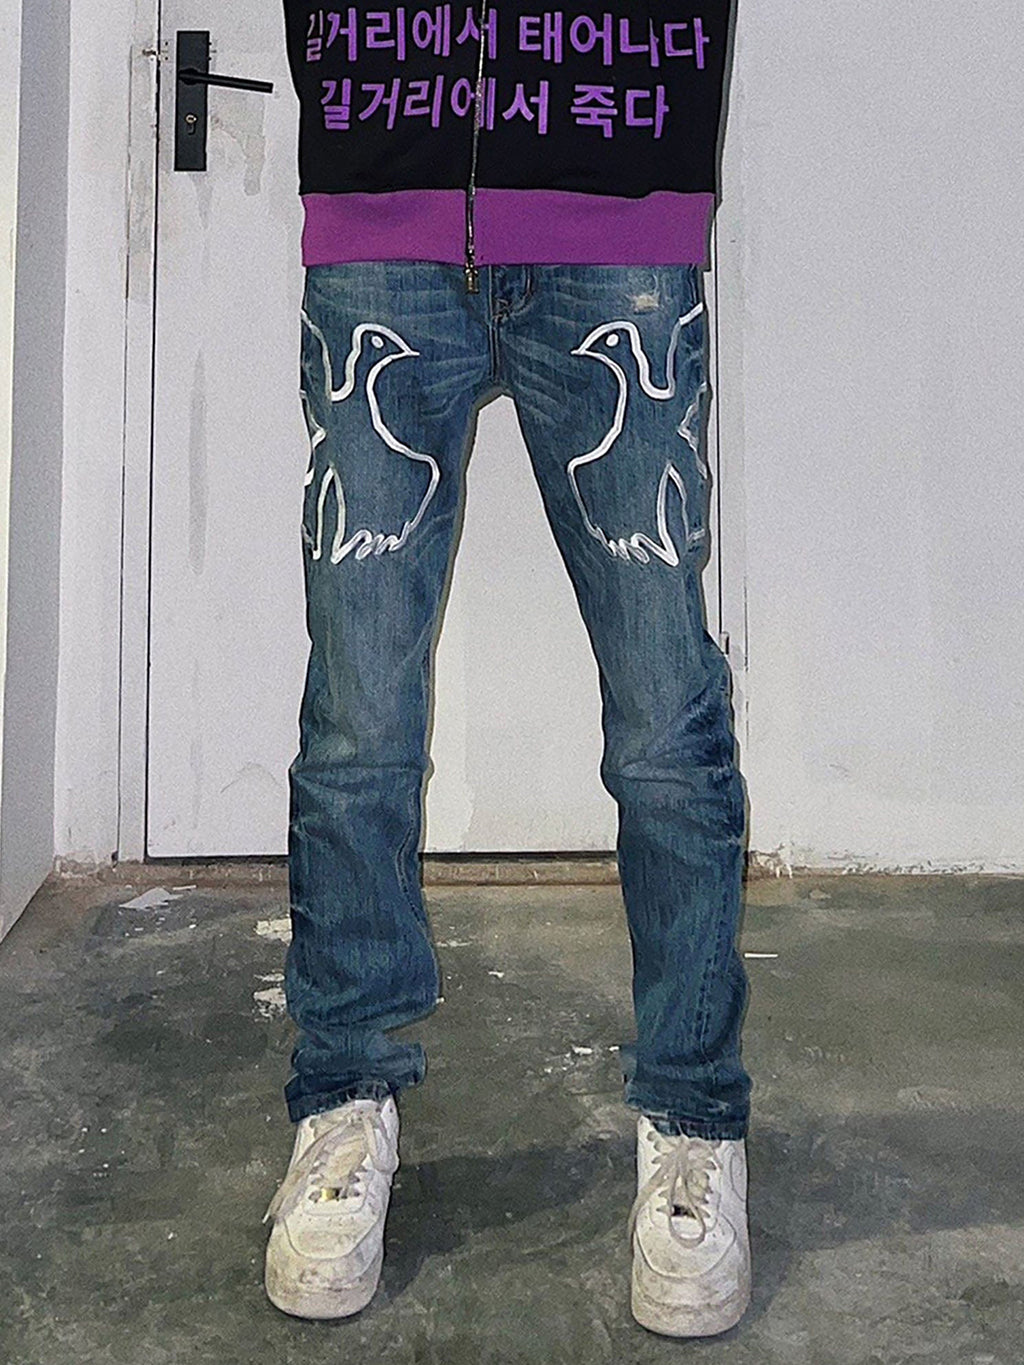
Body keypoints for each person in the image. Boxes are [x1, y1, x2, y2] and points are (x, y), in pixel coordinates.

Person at [264, 0, 752, 1338]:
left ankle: (694, 1119)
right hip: (385, 211)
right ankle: (343, 1101)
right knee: (357, 721)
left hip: (614, 211)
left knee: (663, 719)